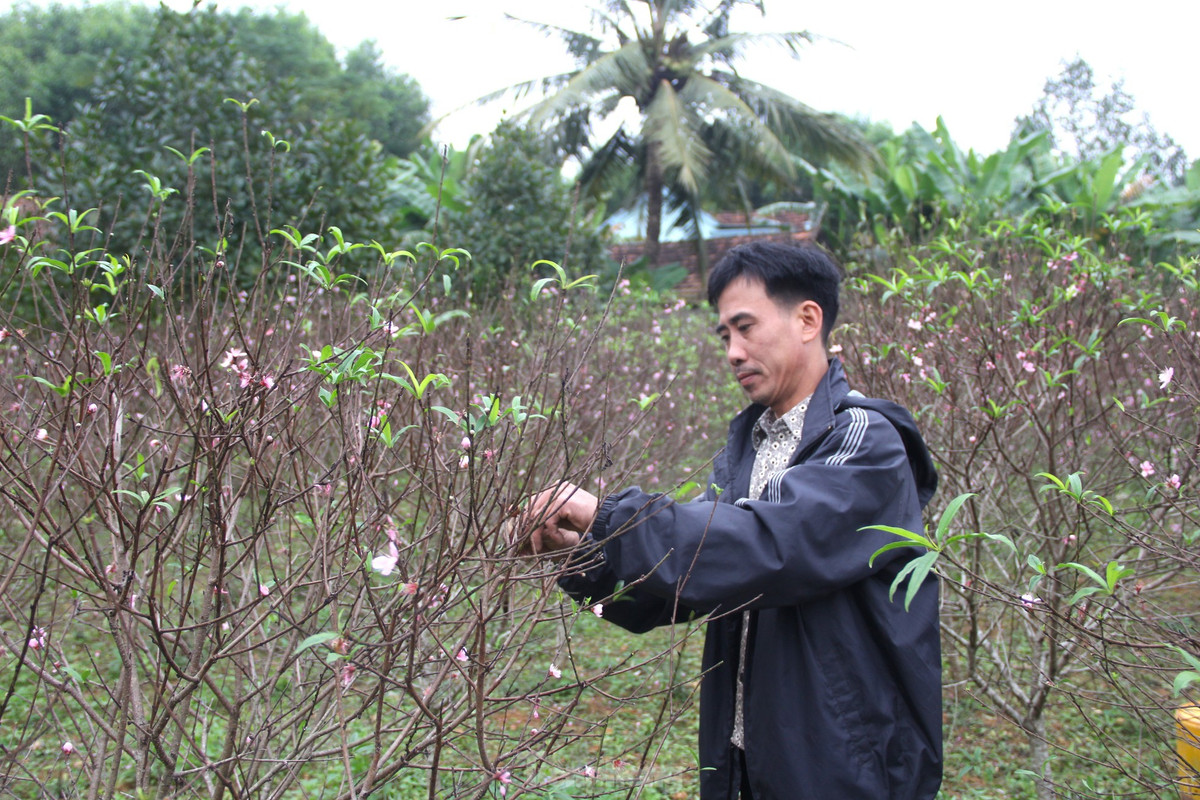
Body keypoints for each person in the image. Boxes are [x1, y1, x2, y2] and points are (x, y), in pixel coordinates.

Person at [524, 241, 942, 800]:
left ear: (807, 319)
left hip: (844, 764)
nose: (734, 352)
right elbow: (697, 579)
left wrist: (608, 516)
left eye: (746, 328)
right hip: (746, 755)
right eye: (725, 336)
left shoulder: (867, 442)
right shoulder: (747, 449)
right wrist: (580, 555)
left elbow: (770, 544)